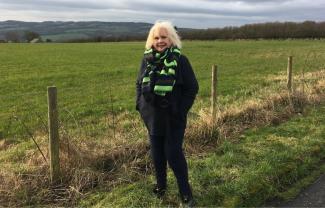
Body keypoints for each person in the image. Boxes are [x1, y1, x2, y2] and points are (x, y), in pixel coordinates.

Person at [136, 20, 199, 206]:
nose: (160, 41)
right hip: (153, 118)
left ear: (171, 39)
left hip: (173, 118)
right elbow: (139, 84)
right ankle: (161, 186)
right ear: (151, 40)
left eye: (164, 37)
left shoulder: (180, 60)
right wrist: (139, 105)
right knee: (157, 154)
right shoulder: (147, 60)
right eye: (156, 37)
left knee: (173, 154)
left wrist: (180, 111)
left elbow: (192, 88)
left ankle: (186, 193)